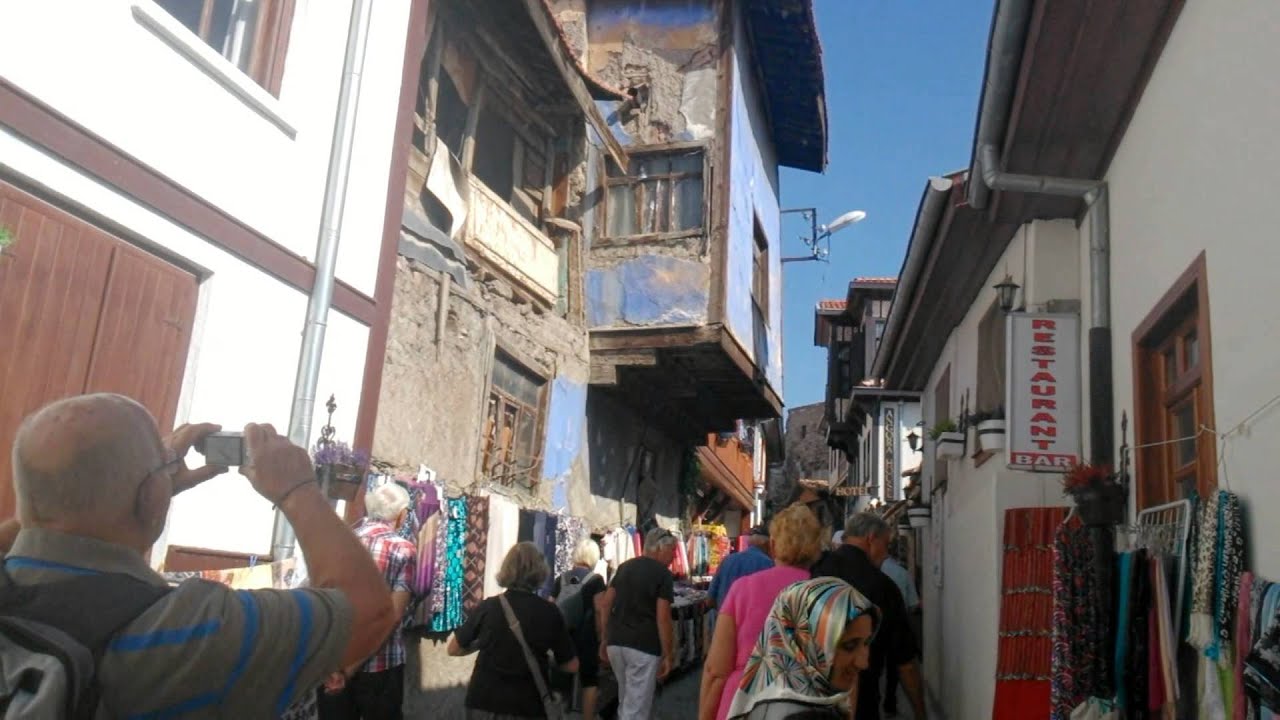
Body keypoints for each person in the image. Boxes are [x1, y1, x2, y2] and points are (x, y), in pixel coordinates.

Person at [1, 393, 396, 716]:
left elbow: (51, 513)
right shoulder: (193, 629)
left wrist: (135, 494)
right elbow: (368, 613)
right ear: (151, 496)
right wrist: (298, 491)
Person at [700, 504, 825, 720]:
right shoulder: (827, 597)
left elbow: (716, 670)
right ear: (816, 551)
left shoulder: (743, 588)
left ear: (773, 546)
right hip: (803, 707)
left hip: (742, 703)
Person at [811, 514, 926, 720]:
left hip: (810, 699)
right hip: (864, 702)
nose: (886, 553)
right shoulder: (883, 587)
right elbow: (905, 662)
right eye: (886, 544)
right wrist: (920, 712)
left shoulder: (815, 570)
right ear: (871, 539)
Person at [319, 482, 418, 719]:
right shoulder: (403, 550)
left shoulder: (337, 543)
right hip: (381, 663)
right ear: (402, 514)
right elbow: (393, 615)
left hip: (334, 662)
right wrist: (352, 669)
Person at [447, 541, 578, 719]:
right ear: (540, 571)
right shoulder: (550, 612)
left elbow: (453, 648)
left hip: (483, 702)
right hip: (526, 705)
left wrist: (482, 643)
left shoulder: (489, 606)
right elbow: (571, 665)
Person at [722, 577, 880, 719]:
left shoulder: (772, 702)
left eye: (866, 643)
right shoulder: (805, 715)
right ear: (804, 642)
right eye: (849, 646)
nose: (863, 663)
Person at [597, 527, 678, 720]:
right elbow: (663, 617)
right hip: (644, 647)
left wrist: (605, 638)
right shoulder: (663, 575)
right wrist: (668, 653)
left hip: (617, 643)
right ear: (660, 549)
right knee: (636, 709)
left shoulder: (625, 567)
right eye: (672, 551)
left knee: (626, 700)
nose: (674, 556)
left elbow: (605, 604)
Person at [551, 538, 608, 720]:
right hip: (587, 638)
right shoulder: (596, 580)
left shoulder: (562, 578)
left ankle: (560, 715)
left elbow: (550, 606)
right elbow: (600, 610)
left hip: (562, 637)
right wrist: (602, 638)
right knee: (589, 681)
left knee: (561, 680)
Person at [877, 539, 920, 718]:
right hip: (897, 626)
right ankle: (890, 702)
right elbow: (913, 604)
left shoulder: (875, 571)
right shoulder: (903, 573)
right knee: (896, 667)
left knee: (876, 665)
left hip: (875, 627)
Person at [707, 525, 773, 609]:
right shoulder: (769, 564)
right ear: (768, 545)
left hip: (723, 618)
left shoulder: (727, 560)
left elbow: (709, 600)